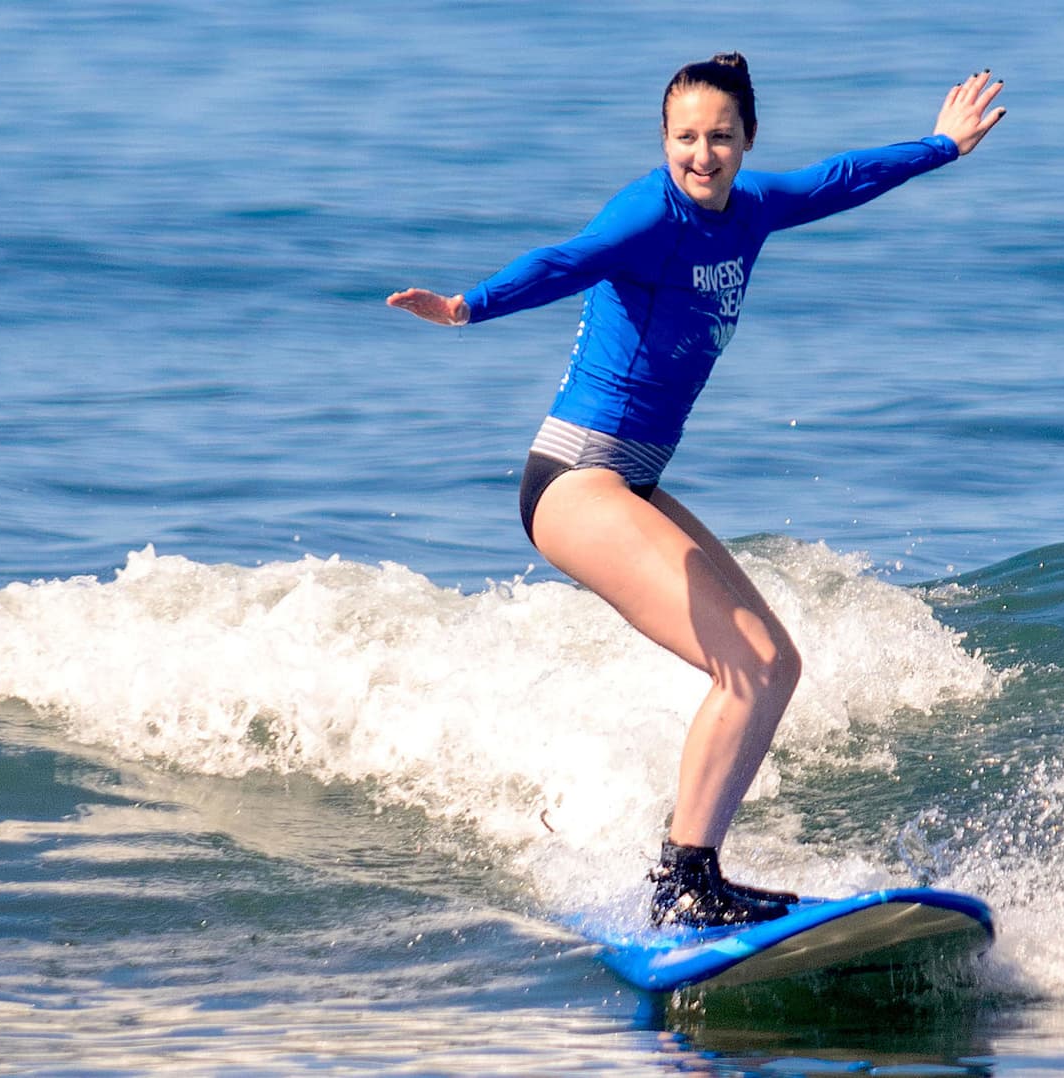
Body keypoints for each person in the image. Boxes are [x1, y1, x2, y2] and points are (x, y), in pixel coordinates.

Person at [387, 55, 1006, 926]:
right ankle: (685, 883)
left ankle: (697, 873)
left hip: (630, 479)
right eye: (686, 138)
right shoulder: (652, 211)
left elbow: (840, 180)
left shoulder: (750, 211)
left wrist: (941, 147)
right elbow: (569, 258)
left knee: (776, 666)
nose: (702, 156)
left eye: (720, 137)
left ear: (748, 140)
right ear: (664, 141)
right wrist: (467, 308)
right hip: (574, 477)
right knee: (744, 667)